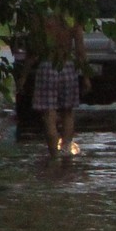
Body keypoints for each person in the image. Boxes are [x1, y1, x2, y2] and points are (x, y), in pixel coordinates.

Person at [25, 9, 88, 158]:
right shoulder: (71, 19)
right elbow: (80, 50)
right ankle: (66, 149)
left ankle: (54, 154)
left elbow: (33, 51)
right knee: (68, 112)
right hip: (67, 66)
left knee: (49, 114)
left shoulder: (39, 18)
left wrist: (23, 76)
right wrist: (86, 77)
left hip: (47, 65)